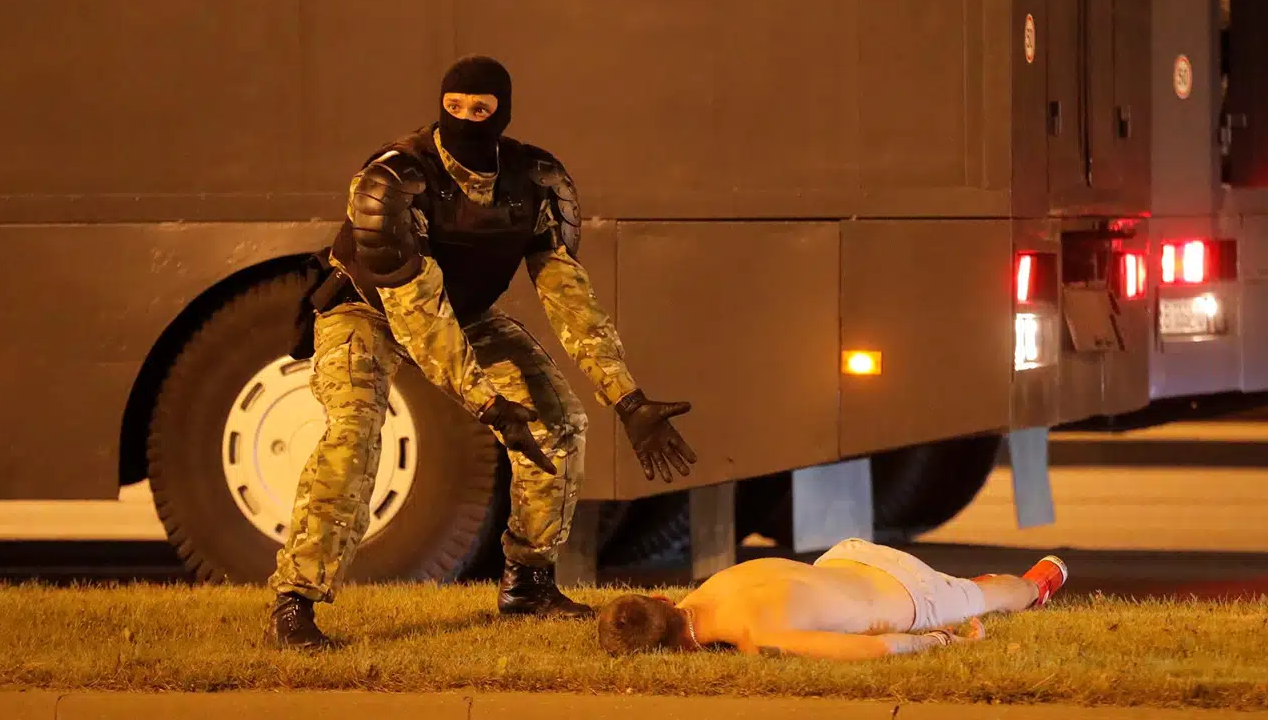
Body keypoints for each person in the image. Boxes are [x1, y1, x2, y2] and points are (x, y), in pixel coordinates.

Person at [266, 55, 698, 648]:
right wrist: (488, 403)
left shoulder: (536, 181)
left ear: (503, 111)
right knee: (354, 432)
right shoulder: (393, 178)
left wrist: (627, 399)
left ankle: (528, 585)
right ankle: (295, 603)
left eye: (481, 109)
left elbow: (569, 297)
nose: (467, 118)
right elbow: (415, 314)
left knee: (560, 422)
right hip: (364, 311)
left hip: (463, 315)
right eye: (455, 108)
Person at [596, 539, 1067, 660]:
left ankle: (1041, 581)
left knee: (999, 594)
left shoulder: (759, 636)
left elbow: (877, 648)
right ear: (661, 596)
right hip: (845, 557)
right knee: (969, 591)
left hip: (910, 596)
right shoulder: (706, 589)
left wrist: (944, 642)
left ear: (679, 651)